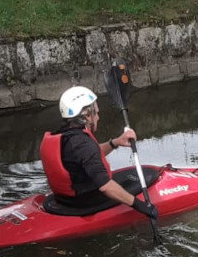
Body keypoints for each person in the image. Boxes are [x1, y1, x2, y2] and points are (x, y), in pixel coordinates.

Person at [40, 86, 158, 219]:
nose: (98, 117)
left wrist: (115, 143)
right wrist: (140, 205)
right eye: (96, 113)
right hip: (85, 202)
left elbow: (87, 158)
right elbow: (105, 187)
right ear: (87, 116)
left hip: (64, 200)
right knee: (147, 177)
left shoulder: (64, 137)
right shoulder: (83, 144)